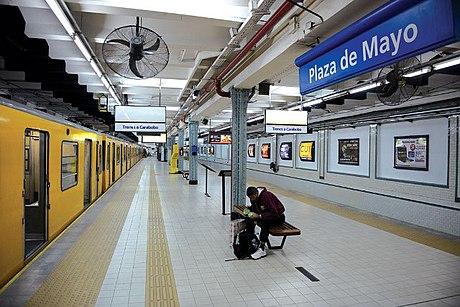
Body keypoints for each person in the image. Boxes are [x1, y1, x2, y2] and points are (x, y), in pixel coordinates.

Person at [243, 186, 286, 260]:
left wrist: (259, 216)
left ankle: (262, 247)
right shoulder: (254, 199)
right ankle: (250, 240)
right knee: (249, 219)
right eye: (250, 198)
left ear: (257, 193)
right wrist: (248, 211)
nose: (251, 199)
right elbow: (255, 208)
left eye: (253, 197)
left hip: (278, 217)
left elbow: (274, 212)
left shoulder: (266, 196)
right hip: (266, 215)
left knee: (265, 221)